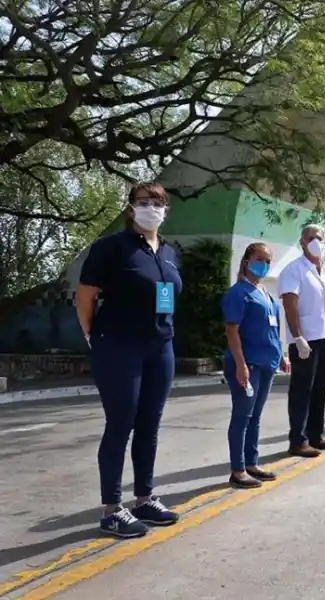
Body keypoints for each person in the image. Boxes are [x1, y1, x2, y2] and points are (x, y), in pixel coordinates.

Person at [74, 182, 182, 538]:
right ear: (131, 208)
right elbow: (85, 295)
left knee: (150, 424)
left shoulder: (168, 252)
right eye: (143, 202)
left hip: (159, 346)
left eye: (157, 202)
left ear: (166, 210)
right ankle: (111, 509)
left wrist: (164, 329)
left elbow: (166, 298)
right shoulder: (111, 248)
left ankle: (144, 498)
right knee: (121, 423)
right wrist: (93, 335)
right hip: (119, 345)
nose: (151, 207)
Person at [222, 242, 290, 488]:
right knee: (242, 415)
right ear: (246, 261)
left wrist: (281, 355)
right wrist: (240, 364)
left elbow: (273, 329)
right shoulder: (238, 293)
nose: (263, 264)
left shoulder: (266, 294)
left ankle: (251, 462)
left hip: (267, 363)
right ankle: (237, 469)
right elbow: (232, 332)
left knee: (255, 416)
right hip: (247, 363)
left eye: (267, 260)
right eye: (259, 259)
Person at [277, 224, 325, 458]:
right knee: (302, 389)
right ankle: (297, 440)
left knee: (321, 387)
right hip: (306, 340)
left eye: (319, 237)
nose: (316, 241)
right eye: (311, 238)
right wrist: (297, 337)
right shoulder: (294, 269)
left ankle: (315, 435)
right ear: (302, 243)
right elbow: (290, 304)